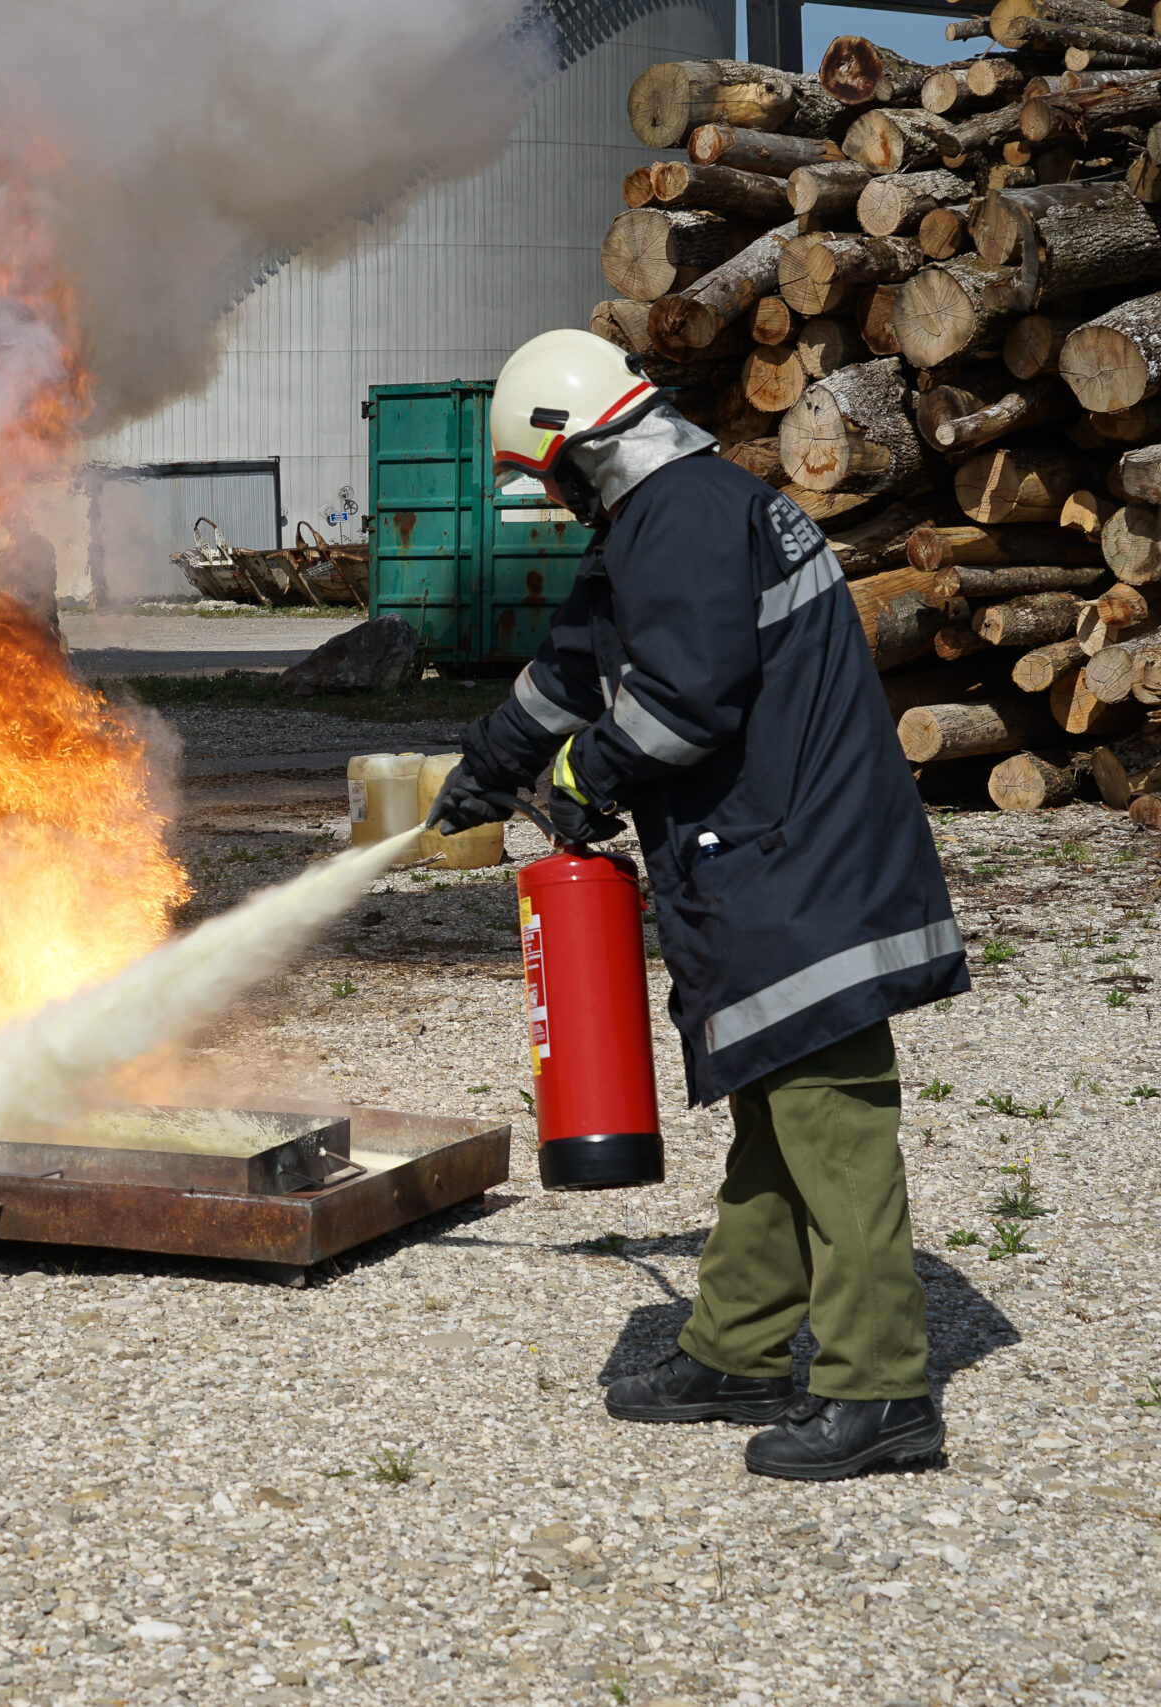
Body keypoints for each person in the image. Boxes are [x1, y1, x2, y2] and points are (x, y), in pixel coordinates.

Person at [428, 328, 967, 1483]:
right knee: (780, 1112)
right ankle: (733, 1348)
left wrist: (581, 781)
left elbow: (684, 700)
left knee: (833, 1123)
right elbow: (572, 670)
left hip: (802, 867)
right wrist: (487, 761)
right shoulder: (664, 519)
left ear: (576, 448)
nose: (556, 502)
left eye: (547, 476)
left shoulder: (681, 519)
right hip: (773, 861)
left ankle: (881, 1392)